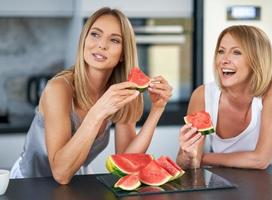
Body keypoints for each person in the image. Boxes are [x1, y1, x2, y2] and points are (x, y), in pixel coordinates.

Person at [10, 7, 172, 184]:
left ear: (123, 55)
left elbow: (127, 158)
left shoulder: (121, 91)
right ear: (84, 39)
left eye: (114, 40)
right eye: (95, 34)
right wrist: (98, 111)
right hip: (27, 184)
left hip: (74, 185)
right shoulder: (58, 89)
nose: (102, 44)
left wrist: (157, 109)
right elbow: (60, 173)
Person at [177, 25, 272, 170]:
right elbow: (184, 162)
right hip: (231, 171)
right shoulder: (202, 95)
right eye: (221, 51)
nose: (224, 60)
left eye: (236, 52)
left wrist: (203, 157)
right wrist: (188, 155)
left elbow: (260, 160)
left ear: (256, 60)